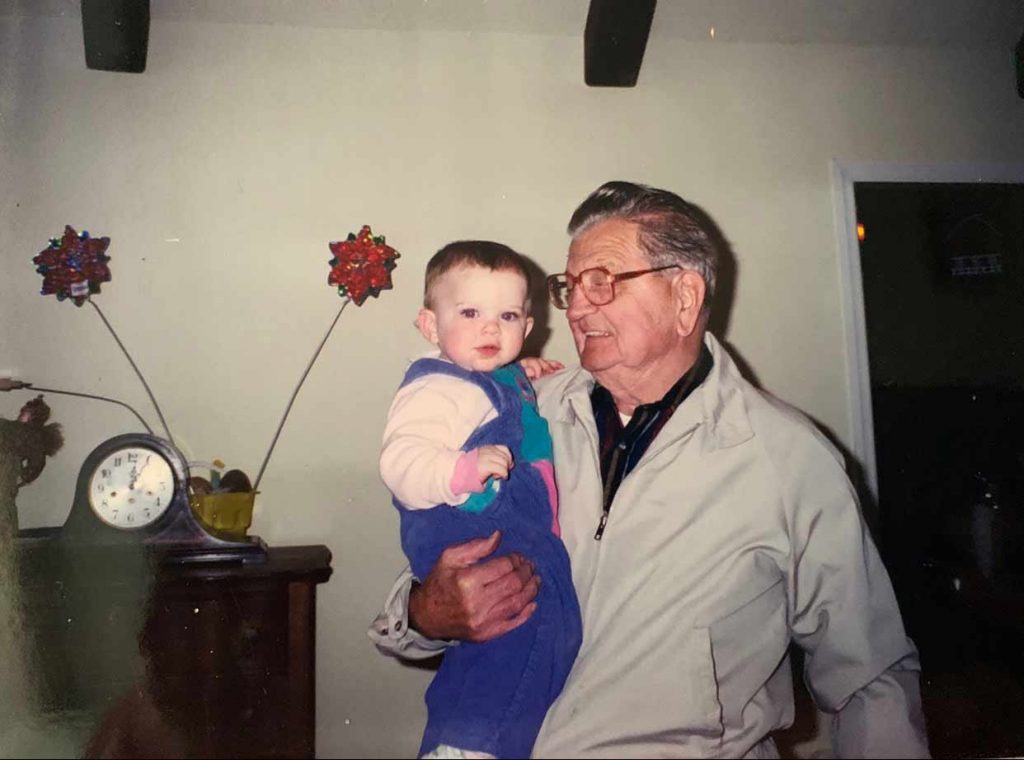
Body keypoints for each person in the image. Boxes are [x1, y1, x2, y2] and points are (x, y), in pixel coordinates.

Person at [371, 182, 930, 758]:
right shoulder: (522, 412)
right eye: (571, 287)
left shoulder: (785, 456)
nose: (578, 307)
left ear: (684, 297)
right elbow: (437, 546)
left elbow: (870, 674)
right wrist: (424, 612)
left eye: (602, 282)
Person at [378, 241, 582, 759]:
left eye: (507, 315)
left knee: (525, 635)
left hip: (508, 529)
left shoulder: (496, 377)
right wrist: (460, 470)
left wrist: (523, 376)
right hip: (463, 528)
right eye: (470, 313)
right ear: (430, 326)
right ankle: (470, 746)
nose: (490, 329)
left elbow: (499, 395)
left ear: (527, 327)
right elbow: (399, 463)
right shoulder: (436, 391)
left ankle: (473, 738)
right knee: (517, 629)